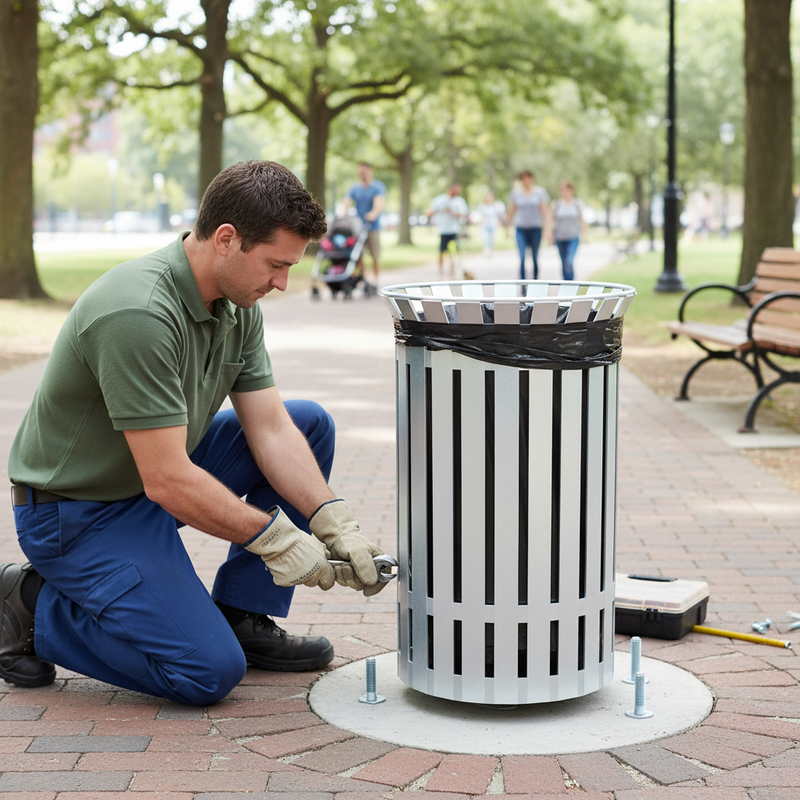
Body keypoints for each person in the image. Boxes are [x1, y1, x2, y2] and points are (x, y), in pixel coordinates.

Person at [4, 160, 387, 704]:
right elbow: (167, 481)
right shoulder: (138, 312)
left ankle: (242, 615)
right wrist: (279, 541)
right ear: (226, 239)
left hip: (153, 475)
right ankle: (29, 606)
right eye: (276, 265)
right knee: (206, 673)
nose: (282, 283)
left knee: (308, 423)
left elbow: (272, 429)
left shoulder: (237, 300)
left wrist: (333, 520)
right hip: (76, 513)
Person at [343, 162, 386, 279]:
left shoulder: (377, 187)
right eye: (360, 172)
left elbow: (378, 205)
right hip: (358, 226)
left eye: (364, 171)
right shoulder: (355, 188)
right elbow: (346, 202)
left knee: (375, 255)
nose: (362, 174)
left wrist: (372, 214)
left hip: (372, 226)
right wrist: (342, 213)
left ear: (370, 171)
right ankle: (364, 278)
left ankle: (376, 279)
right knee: (358, 254)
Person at [505, 170, 549, 280]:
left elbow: (544, 212)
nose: (526, 181)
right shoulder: (516, 194)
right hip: (521, 229)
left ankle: (535, 283)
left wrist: (547, 229)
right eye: (524, 179)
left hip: (535, 229)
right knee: (522, 257)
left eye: (528, 178)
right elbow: (511, 212)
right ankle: (523, 285)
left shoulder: (539, 193)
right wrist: (507, 227)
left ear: (532, 180)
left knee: (534, 257)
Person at [427, 183, 469, 277]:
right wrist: (439, 211)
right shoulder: (440, 200)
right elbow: (429, 212)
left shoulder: (459, 201)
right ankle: (441, 269)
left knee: (453, 249)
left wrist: (453, 213)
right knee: (442, 249)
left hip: (454, 229)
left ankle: (452, 267)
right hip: (443, 229)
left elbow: (465, 214)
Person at [549, 180, 586, 281]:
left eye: (567, 189)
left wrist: (585, 235)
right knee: (564, 262)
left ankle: (571, 285)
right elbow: (551, 221)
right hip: (560, 238)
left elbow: (582, 221)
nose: (565, 192)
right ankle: (566, 285)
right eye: (563, 190)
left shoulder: (578, 204)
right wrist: (550, 235)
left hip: (573, 237)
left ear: (572, 191)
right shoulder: (556, 205)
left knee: (569, 262)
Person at [474, 192, 506, 257]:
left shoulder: (495, 207)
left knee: (492, 239)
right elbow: (480, 216)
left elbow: (498, 216)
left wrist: (499, 222)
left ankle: (491, 251)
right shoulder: (482, 207)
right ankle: (486, 251)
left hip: (493, 225)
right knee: (485, 238)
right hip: (485, 225)